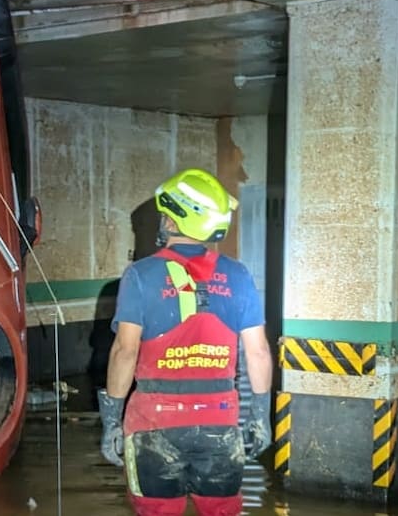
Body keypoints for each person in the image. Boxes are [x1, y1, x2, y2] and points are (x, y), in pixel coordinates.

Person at [98, 168, 274, 516]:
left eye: (166, 213)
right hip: (220, 421)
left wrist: (111, 421)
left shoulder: (141, 275)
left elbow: (124, 352)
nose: (162, 219)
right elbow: (258, 352)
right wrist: (260, 417)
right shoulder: (237, 275)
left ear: (175, 219)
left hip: (153, 423)